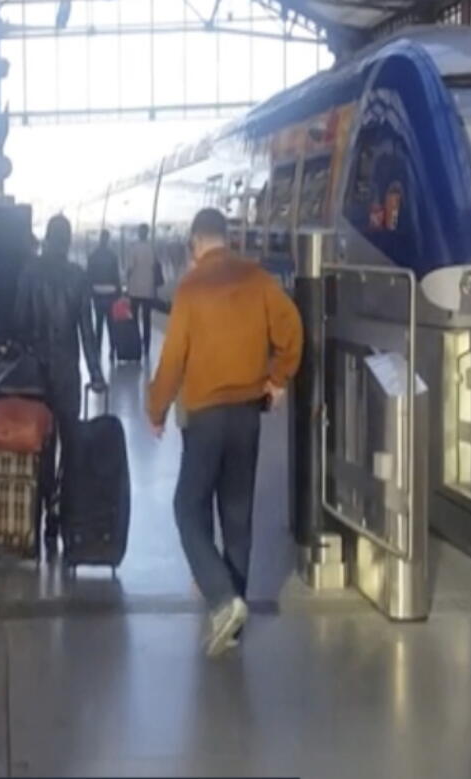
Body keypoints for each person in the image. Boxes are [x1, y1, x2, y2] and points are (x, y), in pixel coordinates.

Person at [146, 208, 302, 657]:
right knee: (237, 516)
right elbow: (291, 328)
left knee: (187, 506)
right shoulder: (256, 279)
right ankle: (232, 627)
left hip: (206, 416)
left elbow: (173, 357)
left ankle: (222, 598)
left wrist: (155, 408)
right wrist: (278, 376)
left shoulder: (192, 287)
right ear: (227, 238)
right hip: (247, 414)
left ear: (196, 242)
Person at [13, 214, 106, 553]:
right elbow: (87, 330)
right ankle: (64, 515)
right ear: (67, 241)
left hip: (36, 373)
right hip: (68, 371)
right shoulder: (78, 277)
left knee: (40, 445)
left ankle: (44, 514)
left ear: (46, 238)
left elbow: (19, 320)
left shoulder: (29, 272)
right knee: (70, 442)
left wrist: (29, 346)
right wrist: (95, 372)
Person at [86, 229, 122, 358]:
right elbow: (116, 276)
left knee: (99, 323)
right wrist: (119, 292)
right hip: (111, 293)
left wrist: (89, 292)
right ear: (107, 240)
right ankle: (113, 349)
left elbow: (89, 276)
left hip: (97, 292)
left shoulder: (93, 256)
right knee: (111, 323)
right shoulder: (112, 256)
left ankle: (97, 349)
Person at [125, 223, 157, 356]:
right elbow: (154, 266)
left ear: (139, 233)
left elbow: (130, 268)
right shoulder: (151, 248)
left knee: (133, 318)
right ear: (147, 233)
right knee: (146, 318)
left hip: (135, 289)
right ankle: (147, 346)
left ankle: (135, 342)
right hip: (148, 289)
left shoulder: (134, 248)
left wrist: (126, 282)